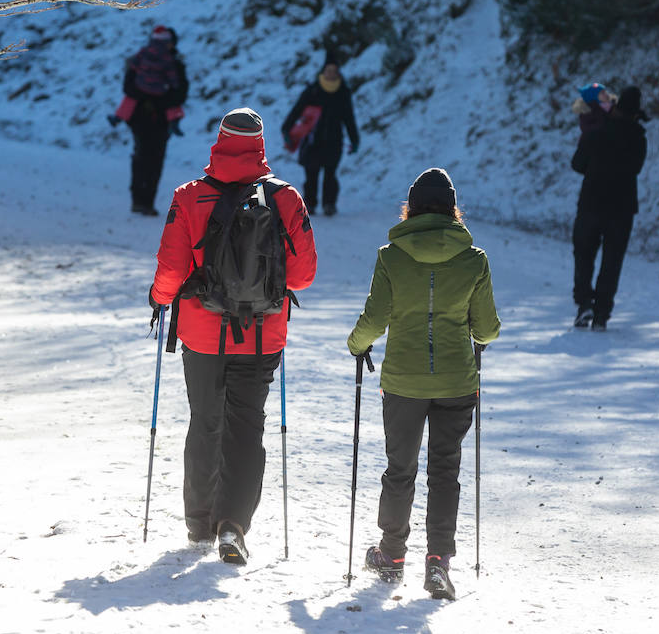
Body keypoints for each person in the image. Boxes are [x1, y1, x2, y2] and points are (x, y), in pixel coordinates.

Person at [148, 107, 317, 565]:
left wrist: (160, 298)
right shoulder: (286, 199)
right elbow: (302, 277)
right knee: (246, 427)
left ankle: (199, 523)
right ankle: (233, 527)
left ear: (218, 141)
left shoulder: (190, 196)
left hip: (201, 334)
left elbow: (171, 268)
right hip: (263, 335)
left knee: (205, 421)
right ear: (261, 145)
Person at [346, 168, 500, 601]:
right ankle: (437, 564)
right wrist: (475, 335)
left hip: (403, 383)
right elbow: (486, 330)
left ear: (409, 208)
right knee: (445, 469)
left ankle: (392, 554)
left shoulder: (391, 256)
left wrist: (356, 344)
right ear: (454, 209)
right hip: (456, 382)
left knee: (400, 469)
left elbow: (375, 319)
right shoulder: (474, 259)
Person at [570, 85, 648, 330]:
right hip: (622, 208)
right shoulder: (639, 138)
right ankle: (602, 313)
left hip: (591, 202)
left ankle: (584, 304)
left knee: (584, 255)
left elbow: (577, 164)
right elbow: (636, 168)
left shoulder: (596, 132)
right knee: (612, 261)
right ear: (636, 113)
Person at [112, 25, 188, 216]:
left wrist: (146, 97)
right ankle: (146, 201)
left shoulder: (140, 59)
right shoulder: (174, 64)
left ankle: (139, 199)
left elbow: (128, 87)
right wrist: (161, 99)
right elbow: (180, 92)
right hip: (161, 118)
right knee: (155, 159)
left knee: (140, 156)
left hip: (138, 116)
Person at [280, 59, 360, 216]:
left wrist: (354, 140)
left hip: (334, 140)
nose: (331, 74)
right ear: (322, 72)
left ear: (338, 74)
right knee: (311, 173)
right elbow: (297, 110)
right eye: (328, 70)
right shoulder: (313, 90)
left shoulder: (343, 92)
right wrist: (286, 130)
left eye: (334, 71)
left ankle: (329, 204)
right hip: (312, 139)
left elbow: (349, 118)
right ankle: (310, 203)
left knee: (330, 173)